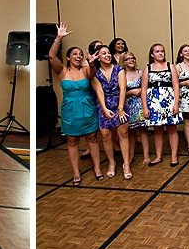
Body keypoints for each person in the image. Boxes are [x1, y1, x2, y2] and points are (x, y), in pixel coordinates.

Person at [48, 23, 102, 184]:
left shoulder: (86, 70)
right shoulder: (62, 71)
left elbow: (93, 72)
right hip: (70, 111)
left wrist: (92, 62)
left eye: (80, 54)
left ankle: (97, 168)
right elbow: (51, 56)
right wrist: (59, 38)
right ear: (68, 57)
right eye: (75, 54)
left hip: (87, 109)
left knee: (92, 138)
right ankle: (76, 173)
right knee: (72, 142)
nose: (78, 56)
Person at [91, 46, 132, 179]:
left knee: (123, 134)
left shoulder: (119, 69)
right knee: (106, 136)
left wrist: (120, 109)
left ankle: (126, 164)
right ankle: (111, 163)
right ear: (98, 57)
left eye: (108, 52)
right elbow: (99, 91)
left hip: (119, 102)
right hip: (104, 105)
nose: (108, 55)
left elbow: (123, 88)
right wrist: (104, 109)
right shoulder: (95, 73)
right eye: (104, 53)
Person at [141, 43, 181, 166]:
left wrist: (176, 104)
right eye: (157, 51)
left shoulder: (171, 66)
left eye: (162, 51)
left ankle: (174, 157)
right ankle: (158, 156)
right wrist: (145, 108)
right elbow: (143, 89)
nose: (160, 53)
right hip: (154, 103)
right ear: (152, 54)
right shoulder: (148, 68)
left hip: (169, 101)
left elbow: (176, 86)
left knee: (172, 129)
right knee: (157, 130)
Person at [121, 52, 150, 166]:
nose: (131, 60)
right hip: (128, 105)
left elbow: (146, 87)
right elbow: (120, 92)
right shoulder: (122, 74)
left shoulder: (140, 72)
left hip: (140, 104)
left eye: (133, 58)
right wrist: (131, 92)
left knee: (143, 130)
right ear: (123, 62)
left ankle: (146, 155)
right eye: (128, 59)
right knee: (130, 132)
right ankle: (130, 156)